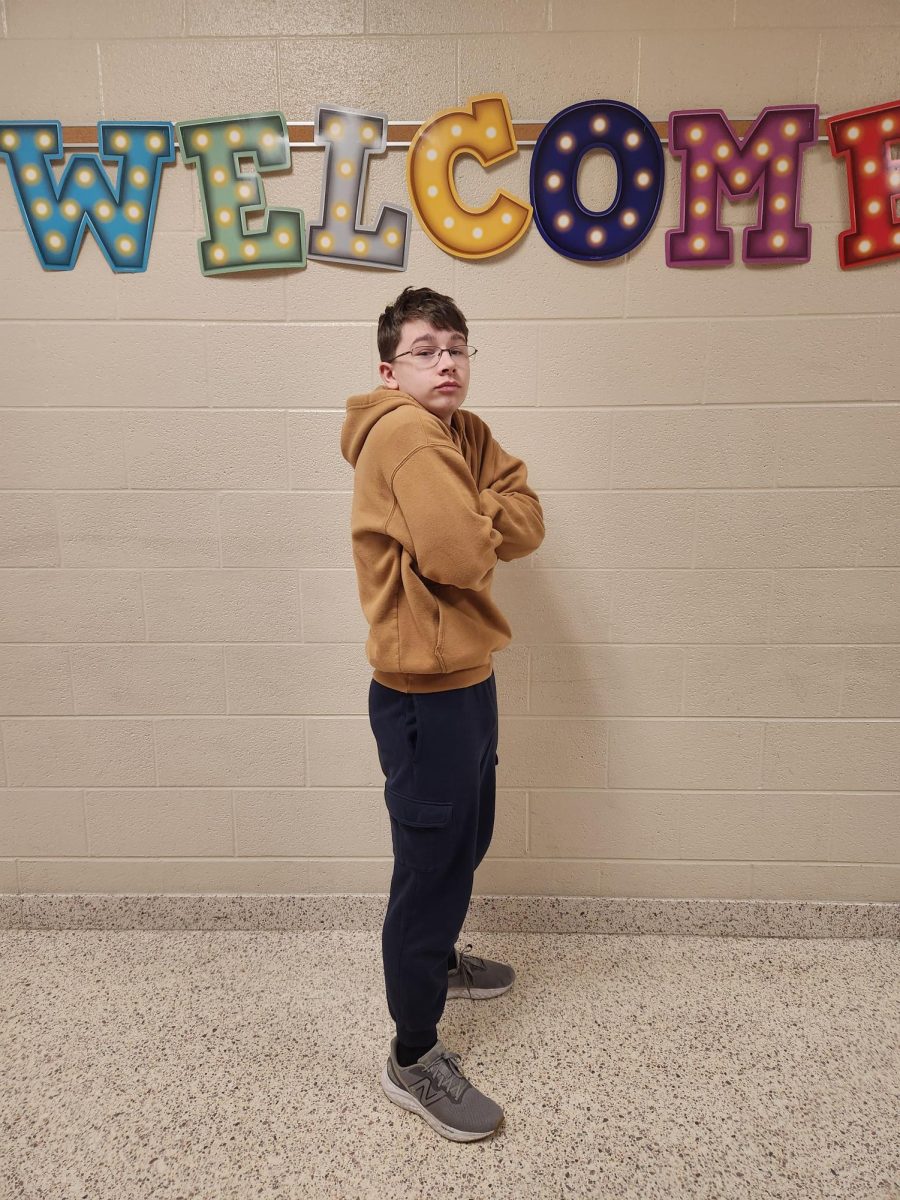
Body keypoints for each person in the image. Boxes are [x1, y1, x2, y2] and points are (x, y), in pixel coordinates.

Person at [339, 285, 545, 1141]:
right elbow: (462, 554)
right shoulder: (406, 433)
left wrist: (478, 511)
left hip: (468, 675)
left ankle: (437, 960)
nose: (447, 362)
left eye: (456, 346)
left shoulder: (467, 432)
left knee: (464, 840)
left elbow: (524, 521)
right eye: (426, 350)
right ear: (391, 371)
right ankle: (413, 1053)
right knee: (430, 865)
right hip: (425, 694)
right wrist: (475, 520)